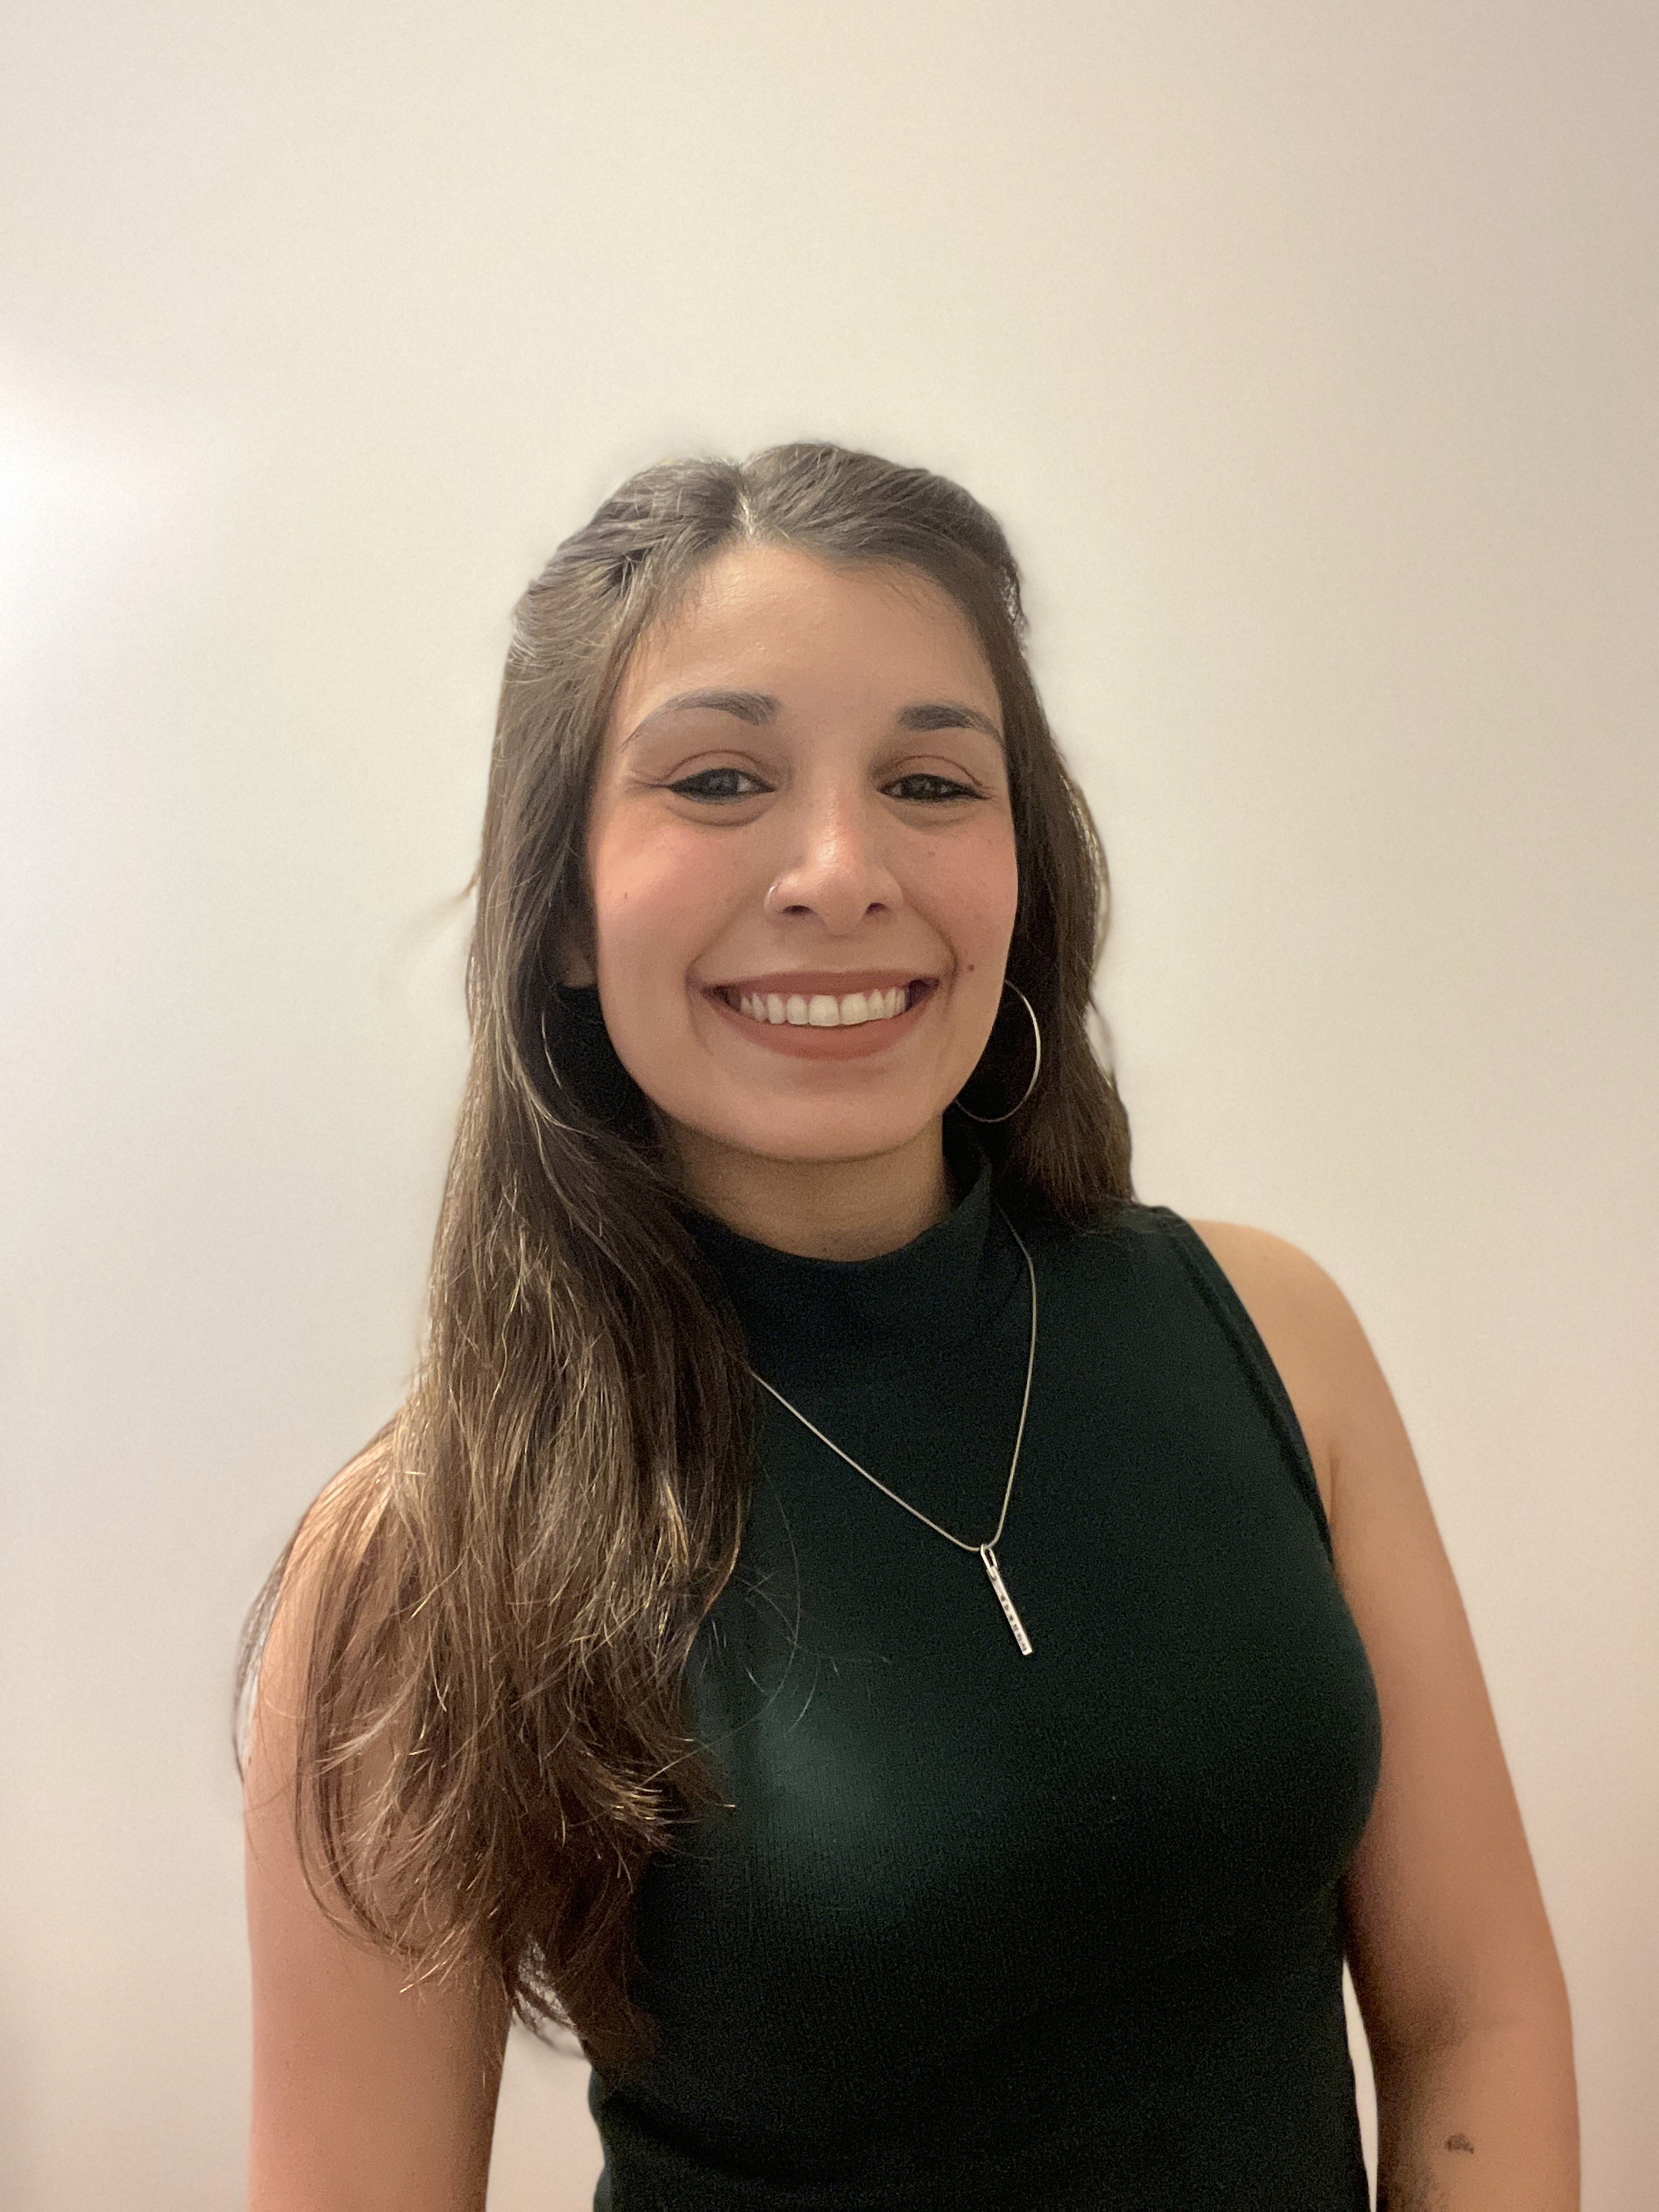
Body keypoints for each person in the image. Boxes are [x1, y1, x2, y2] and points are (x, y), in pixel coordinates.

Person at [240, 442, 1579, 2211]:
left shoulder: (1275, 1334)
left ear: (1024, 865)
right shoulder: (422, 1550)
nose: (840, 868)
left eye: (934, 781)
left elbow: (1477, 2013)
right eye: (719, 778)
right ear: (561, 908)